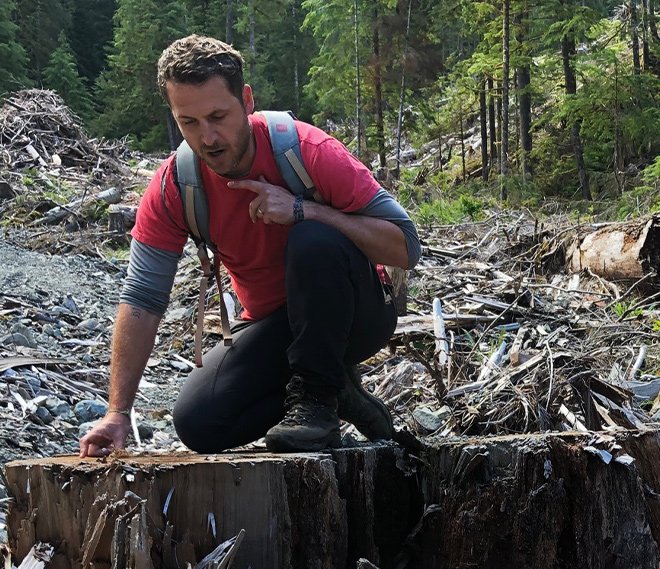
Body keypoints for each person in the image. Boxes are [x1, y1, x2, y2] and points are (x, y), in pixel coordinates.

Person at [78, 34, 420, 457]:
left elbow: (405, 246)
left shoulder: (306, 151)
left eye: (218, 116)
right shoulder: (176, 185)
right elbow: (143, 297)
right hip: (274, 325)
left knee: (313, 238)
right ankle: (339, 391)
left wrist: (305, 210)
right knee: (200, 423)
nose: (208, 138)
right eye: (189, 123)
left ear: (247, 100)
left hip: (357, 313)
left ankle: (316, 402)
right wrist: (116, 412)